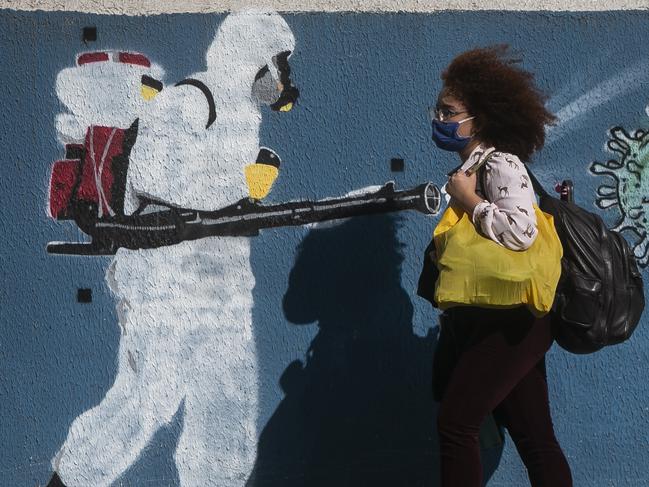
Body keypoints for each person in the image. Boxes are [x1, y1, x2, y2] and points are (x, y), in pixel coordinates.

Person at [423, 45, 573, 486]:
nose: (441, 118)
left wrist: (469, 202)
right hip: (496, 317)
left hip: (513, 319)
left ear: (480, 118)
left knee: (456, 424)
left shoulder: (500, 164)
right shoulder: (469, 167)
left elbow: (521, 233)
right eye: (439, 109)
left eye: (450, 111)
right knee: (535, 437)